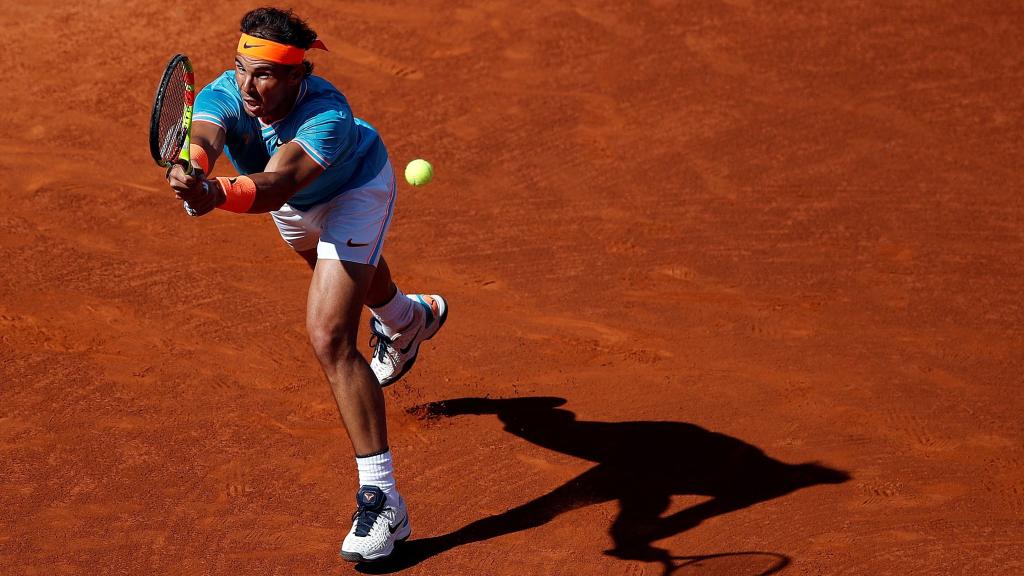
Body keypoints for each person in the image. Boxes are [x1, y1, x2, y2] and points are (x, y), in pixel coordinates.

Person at [164, 7, 448, 563]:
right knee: (347, 278)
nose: (248, 86)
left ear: (298, 75)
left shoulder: (328, 116)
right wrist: (194, 167)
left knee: (330, 335)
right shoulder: (229, 92)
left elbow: (278, 183)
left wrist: (215, 194)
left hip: (354, 192)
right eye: (241, 68)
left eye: (265, 74)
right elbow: (205, 133)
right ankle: (407, 319)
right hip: (295, 208)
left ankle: (383, 502)